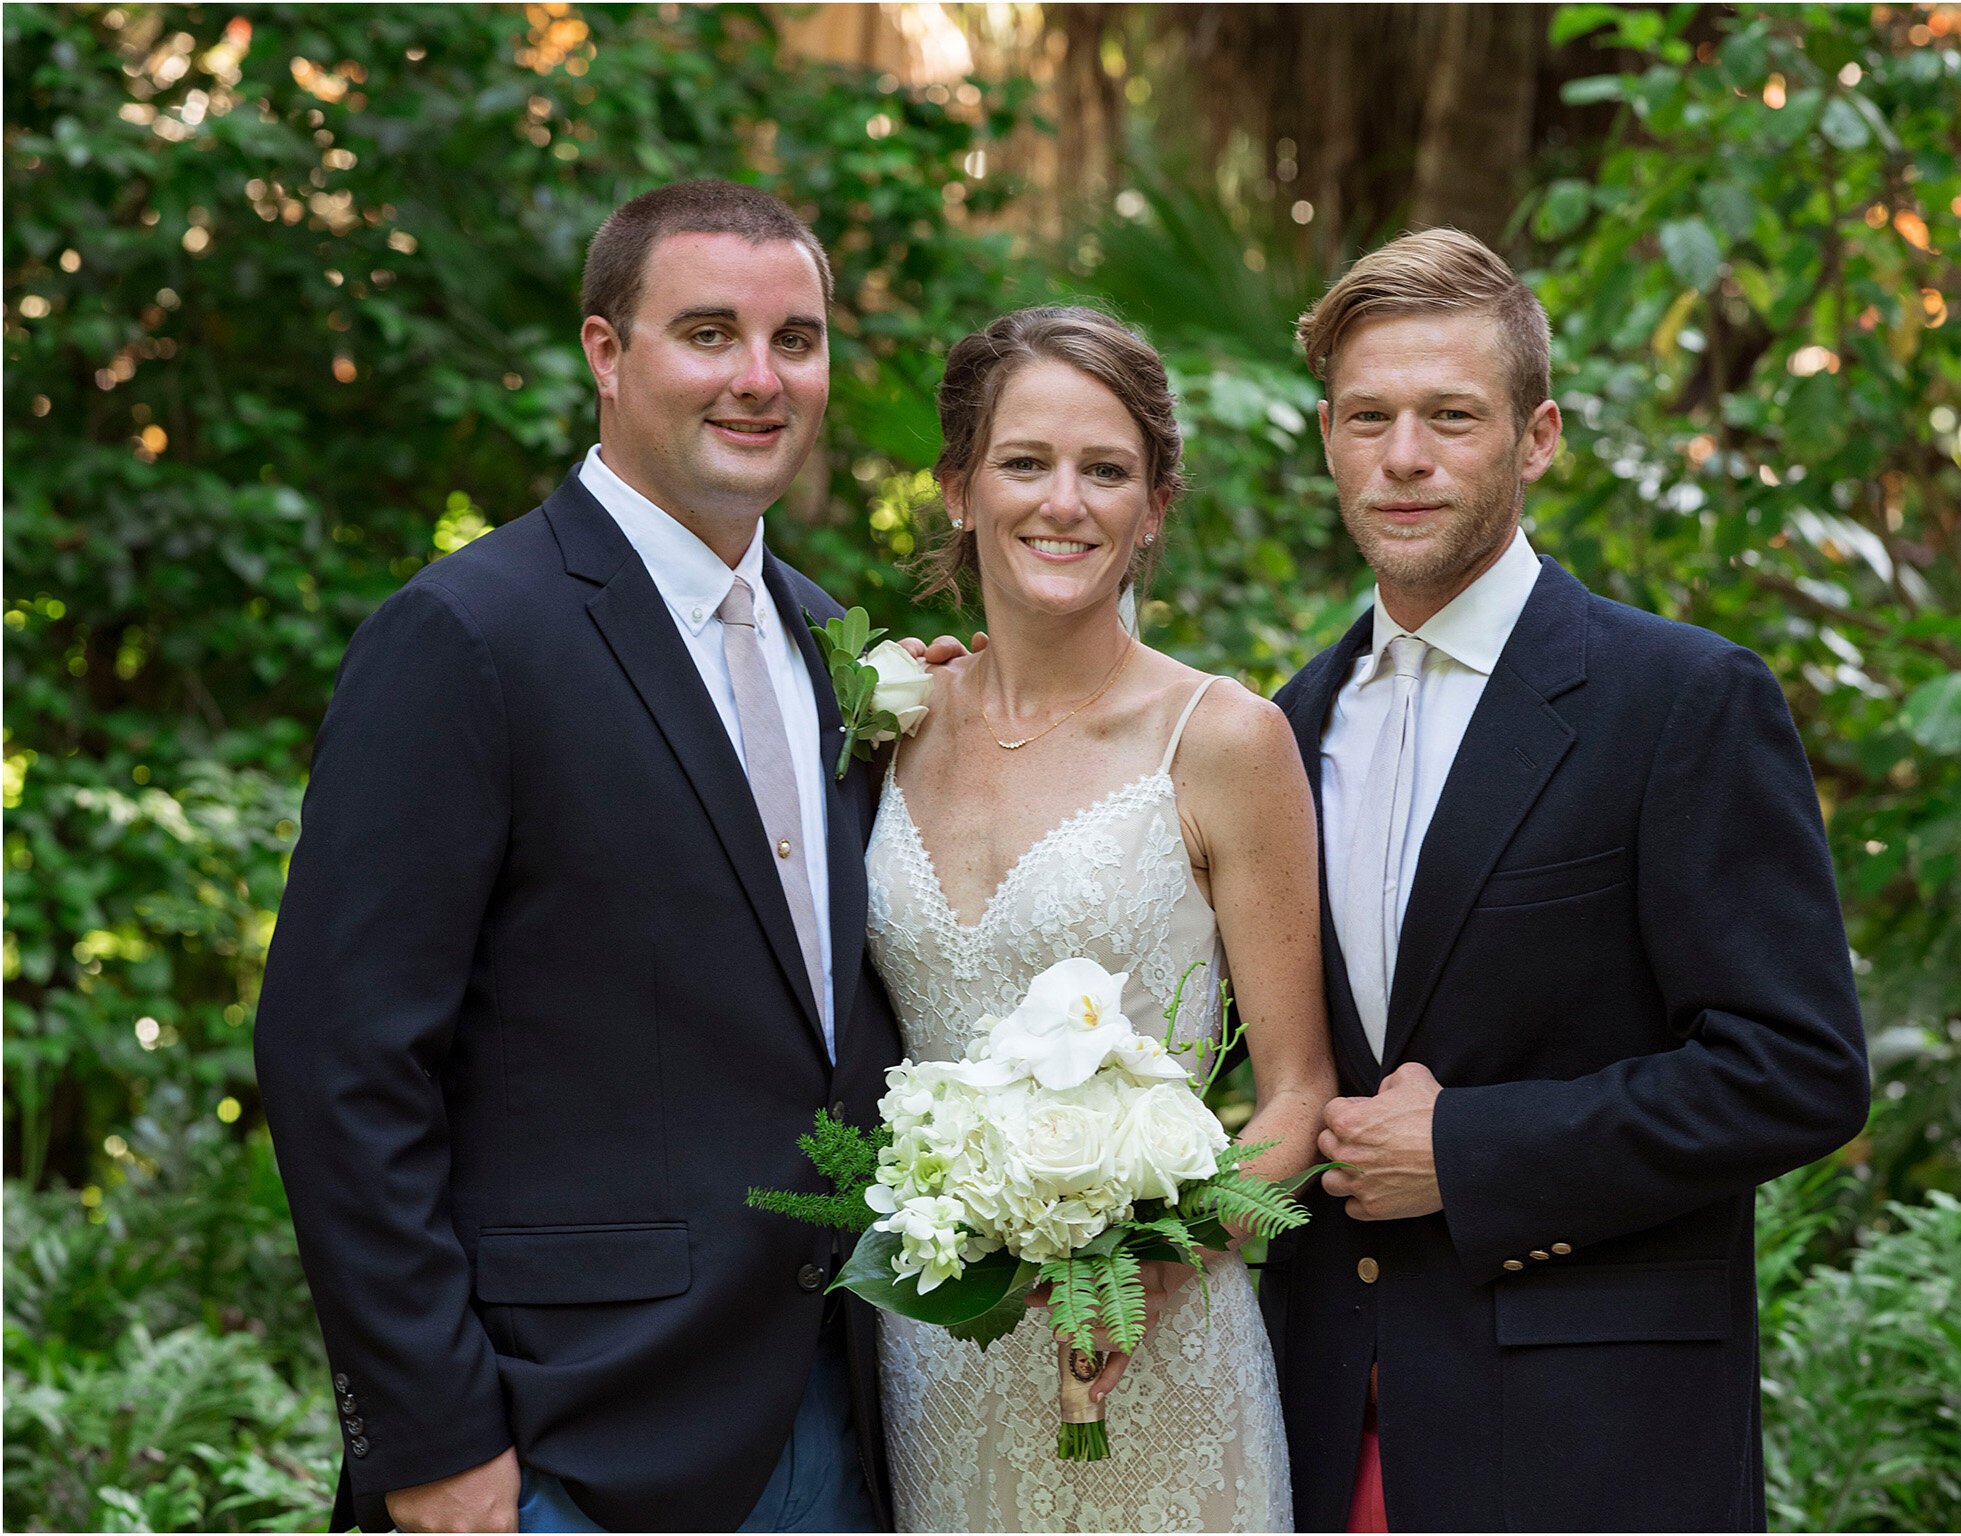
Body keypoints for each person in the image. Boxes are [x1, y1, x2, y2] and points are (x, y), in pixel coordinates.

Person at [255, 180, 953, 1532]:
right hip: (562, 1435)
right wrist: (432, 1436)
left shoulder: (833, 647)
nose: (760, 379)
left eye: (796, 341)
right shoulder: (467, 636)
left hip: (837, 1409)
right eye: (709, 333)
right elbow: (338, 1059)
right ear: (606, 352)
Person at [1258, 229, 1872, 1532]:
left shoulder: (1682, 701)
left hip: (1592, 1443)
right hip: (1321, 1422)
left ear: (1535, 438)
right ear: (1326, 439)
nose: (1404, 457)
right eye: (1368, 418)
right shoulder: (1283, 727)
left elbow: (1798, 1070)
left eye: (1450, 417)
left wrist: (1469, 1151)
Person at [862, 305, 1335, 1531]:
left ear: (1154, 507)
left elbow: (1297, 1094)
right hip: (935, 1356)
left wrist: (1151, 1267)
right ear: (958, 489)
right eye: (1024, 462)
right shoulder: (888, 724)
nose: (1062, 503)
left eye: (1106, 471)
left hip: (1156, 1357)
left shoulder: (1223, 741)